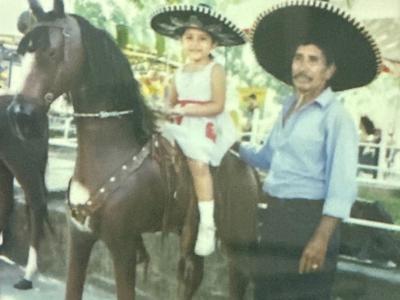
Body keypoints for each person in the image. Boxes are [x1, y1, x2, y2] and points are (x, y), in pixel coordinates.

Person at [239, 1, 382, 299]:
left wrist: (320, 239)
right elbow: (267, 156)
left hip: (310, 224)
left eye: (313, 60)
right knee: (265, 294)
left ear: (329, 71)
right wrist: (233, 146)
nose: (302, 67)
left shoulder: (336, 117)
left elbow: (342, 187)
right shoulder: (288, 107)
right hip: (276, 220)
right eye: (298, 58)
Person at [150, 4, 245, 256]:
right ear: (181, 41)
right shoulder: (178, 72)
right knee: (152, 146)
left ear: (212, 45)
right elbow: (169, 103)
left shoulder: (215, 70)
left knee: (197, 163)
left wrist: (186, 111)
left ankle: (207, 223)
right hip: (178, 122)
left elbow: (217, 105)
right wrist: (162, 109)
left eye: (202, 39)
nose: (195, 44)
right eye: (189, 38)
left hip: (205, 123)